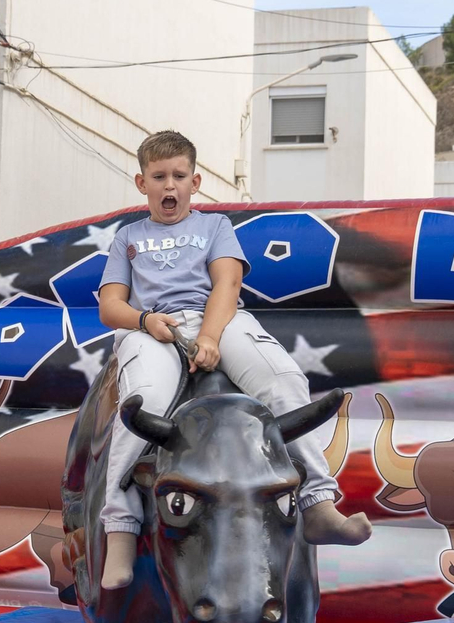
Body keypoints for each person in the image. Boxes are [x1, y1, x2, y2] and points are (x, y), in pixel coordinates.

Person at [94, 131, 372, 587]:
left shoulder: (215, 226)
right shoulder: (128, 236)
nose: (170, 186)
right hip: (152, 326)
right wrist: (146, 322)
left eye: (179, 176)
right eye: (159, 177)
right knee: (142, 403)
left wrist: (209, 335)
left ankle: (319, 504)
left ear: (195, 181)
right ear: (141, 183)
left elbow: (227, 285)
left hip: (217, 318)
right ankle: (121, 533)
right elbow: (111, 307)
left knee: (285, 382)